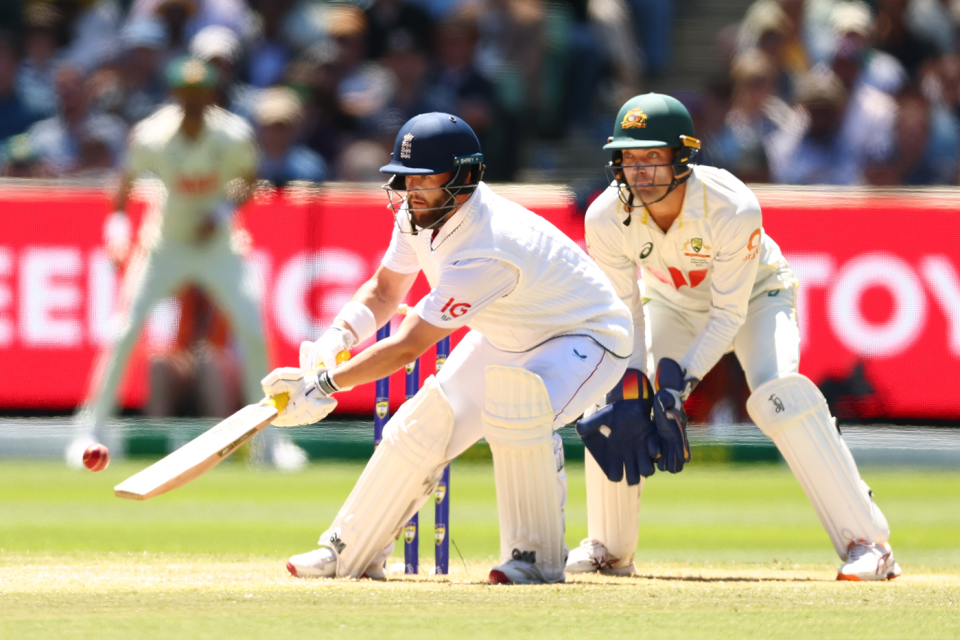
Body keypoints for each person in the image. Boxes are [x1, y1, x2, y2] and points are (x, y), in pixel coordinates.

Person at [261, 112, 634, 584]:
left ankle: (534, 559)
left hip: (588, 338)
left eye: (424, 179)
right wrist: (339, 336)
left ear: (464, 178)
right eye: (405, 178)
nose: (410, 190)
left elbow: (407, 346)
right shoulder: (416, 214)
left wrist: (325, 383)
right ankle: (348, 551)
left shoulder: (489, 246)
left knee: (518, 412)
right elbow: (383, 291)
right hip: (506, 333)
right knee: (422, 423)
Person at [567, 92, 901, 582]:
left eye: (652, 158)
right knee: (618, 394)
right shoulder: (605, 216)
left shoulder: (732, 206)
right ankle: (609, 547)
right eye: (629, 159)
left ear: (682, 158)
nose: (639, 172)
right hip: (671, 305)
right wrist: (638, 383)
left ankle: (868, 543)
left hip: (756, 298)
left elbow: (726, 314)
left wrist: (675, 390)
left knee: (775, 394)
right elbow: (627, 312)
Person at [68, 57, 306, 471]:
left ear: (211, 95)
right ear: (176, 95)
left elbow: (247, 182)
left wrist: (218, 215)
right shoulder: (153, 135)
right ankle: (89, 429)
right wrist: (118, 228)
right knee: (125, 329)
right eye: (187, 95)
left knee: (252, 330)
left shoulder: (232, 135)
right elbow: (123, 187)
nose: (194, 103)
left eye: (201, 95)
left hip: (218, 246)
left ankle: (272, 443)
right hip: (165, 244)